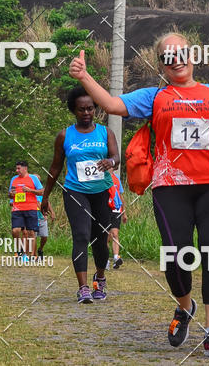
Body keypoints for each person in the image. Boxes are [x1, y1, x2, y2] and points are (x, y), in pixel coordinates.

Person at [70, 38, 209, 357]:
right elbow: (112, 105)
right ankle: (185, 307)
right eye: (168, 56)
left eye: (181, 53)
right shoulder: (154, 97)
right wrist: (84, 77)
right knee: (176, 254)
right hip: (170, 188)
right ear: (161, 63)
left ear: (193, 56)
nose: (176, 60)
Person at [41, 85, 119, 304]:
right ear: (73, 111)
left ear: (95, 109)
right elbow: (55, 168)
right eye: (81, 110)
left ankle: (100, 279)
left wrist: (110, 162)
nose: (86, 113)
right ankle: (83, 287)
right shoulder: (65, 135)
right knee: (81, 236)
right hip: (75, 192)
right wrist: (45, 196)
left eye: (90, 109)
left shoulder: (106, 132)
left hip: (101, 191)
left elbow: (116, 157)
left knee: (99, 240)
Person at [9, 161, 43, 260]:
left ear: (25, 168)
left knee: (31, 232)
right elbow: (9, 194)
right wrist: (11, 194)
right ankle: (20, 249)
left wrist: (30, 190)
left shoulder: (34, 178)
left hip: (31, 208)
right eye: (16, 168)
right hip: (17, 209)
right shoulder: (14, 179)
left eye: (19, 168)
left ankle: (31, 255)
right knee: (15, 231)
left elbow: (42, 191)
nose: (17, 171)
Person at [107, 170, 127, 269]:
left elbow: (120, 195)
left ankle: (116, 258)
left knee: (115, 234)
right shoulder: (102, 177)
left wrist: (124, 213)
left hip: (116, 209)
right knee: (107, 236)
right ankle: (105, 260)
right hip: (106, 209)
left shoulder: (117, 178)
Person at [35, 189, 55, 261]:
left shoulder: (42, 194)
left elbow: (47, 202)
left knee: (44, 236)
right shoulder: (30, 192)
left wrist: (52, 212)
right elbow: (37, 204)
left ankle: (40, 249)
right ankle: (35, 255)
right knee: (33, 237)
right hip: (32, 217)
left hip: (42, 218)